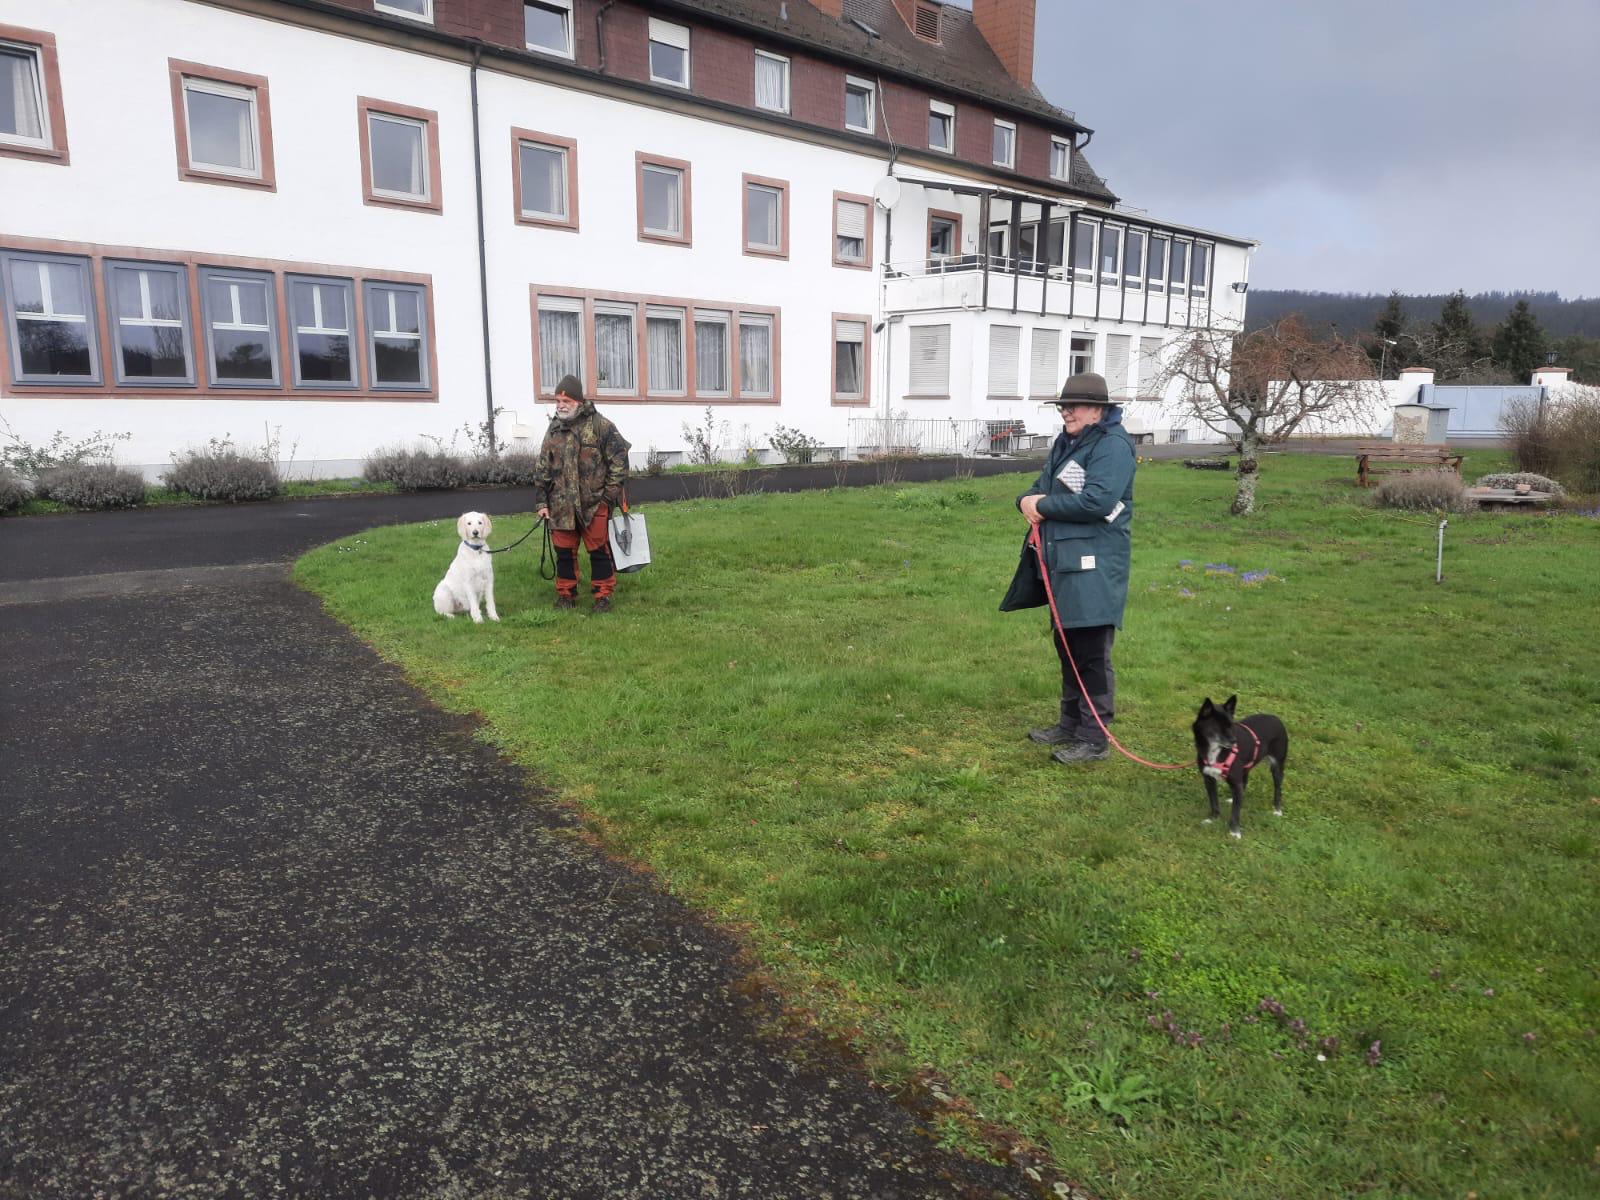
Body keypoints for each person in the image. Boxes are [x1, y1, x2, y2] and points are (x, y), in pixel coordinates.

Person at [1006, 372, 1136, 764]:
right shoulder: (1069, 442)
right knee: (1067, 645)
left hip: (1095, 565)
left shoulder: (1113, 445)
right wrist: (1025, 500)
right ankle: (1069, 724)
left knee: (1091, 650)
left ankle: (1094, 739)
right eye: (1062, 406)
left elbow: (1098, 502)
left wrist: (1041, 505)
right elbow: (1038, 487)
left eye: (1073, 406)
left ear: (1098, 410)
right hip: (1064, 563)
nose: (1065, 412)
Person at [533, 375, 631, 613]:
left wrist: (607, 498)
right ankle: (566, 595)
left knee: (599, 552)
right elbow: (542, 467)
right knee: (564, 553)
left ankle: (603, 596)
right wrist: (542, 502)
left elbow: (619, 462)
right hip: (560, 505)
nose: (561, 405)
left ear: (578, 401)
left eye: (566, 401)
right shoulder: (554, 429)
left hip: (594, 504)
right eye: (558, 401)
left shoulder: (601, 426)